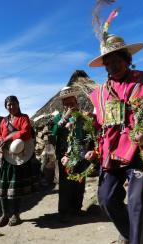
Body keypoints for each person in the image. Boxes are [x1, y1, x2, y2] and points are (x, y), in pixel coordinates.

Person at [86, 16, 143, 243]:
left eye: (116, 60)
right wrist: (92, 147)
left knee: (138, 203)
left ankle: (137, 239)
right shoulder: (99, 93)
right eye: (108, 62)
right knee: (106, 199)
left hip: (141, 152)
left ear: (127, 59)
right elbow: (98, 124)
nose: (112, 65)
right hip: (111, 154)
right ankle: (131, 235)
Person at [0, 95, 38, 227]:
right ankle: (5, 214)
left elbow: (26, 132)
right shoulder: (4, 121)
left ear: (18, 104)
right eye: (8, 105)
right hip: (3, 156)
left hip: (18, 157)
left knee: (15, 188)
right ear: (6, 107)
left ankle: (16, 214)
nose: (11, 107)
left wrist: (9, 138)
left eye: (13, 104)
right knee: (2, 188)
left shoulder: (24, 118)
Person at [52, 84, 94, 222]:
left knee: (79, 181)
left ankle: (77, 209)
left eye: (72, 102)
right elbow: (54, 133)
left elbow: (90, 132)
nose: (70, 105)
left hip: (81, 153)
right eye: (67, 103)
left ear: (76, 102)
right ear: (63, 105)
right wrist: (65, 118)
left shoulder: (83, 116)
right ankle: (63, 211)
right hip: (65, 155)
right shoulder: (58, 117)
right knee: (65, 183)